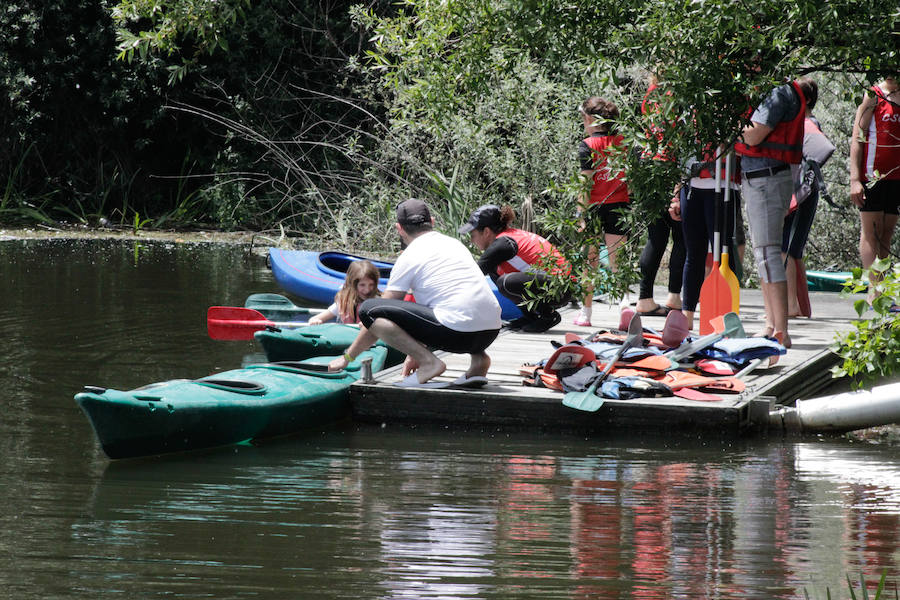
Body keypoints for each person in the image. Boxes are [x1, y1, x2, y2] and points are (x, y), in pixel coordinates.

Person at [328, 199, 502, 387]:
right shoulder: (455, 244)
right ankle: (479, 362)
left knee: (370, 308)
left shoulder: (409, 255)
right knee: (457, 306)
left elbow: (378, 313)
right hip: (490, 331)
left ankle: (430, 363)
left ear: (399, 228)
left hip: (458, 334)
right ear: (432, 222)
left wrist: (347, 357)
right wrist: (414, 351)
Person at [734, 77, 814, 349]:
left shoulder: (778, 93)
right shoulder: (773, 90)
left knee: (768, 253)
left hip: (768, 179)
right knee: (763, 254)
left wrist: (730, 120)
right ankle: (771, 324)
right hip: (760, 178)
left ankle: (781, 330)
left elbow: (754, 134)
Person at [459, 204, 571, 333]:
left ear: (486, 232)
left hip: (561, 289)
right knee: (495, 273)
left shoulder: (502, 244)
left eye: (472, 235)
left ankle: (549, 316)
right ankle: (530, 317)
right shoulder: (508, 237)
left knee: (506, 283)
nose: (472, 241)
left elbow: (472, 276)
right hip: (557, 286)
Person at [670, 147, 744, 331]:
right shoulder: (689, 118)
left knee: (723, 252)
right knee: (693, 253)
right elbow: (684, 154)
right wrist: (676, 196)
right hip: (691, 188)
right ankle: (687, 314)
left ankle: (727, 315)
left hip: (724, 187)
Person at [575, 96, 629, 327]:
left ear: (589, 118)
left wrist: (580, 215)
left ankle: (586, 314)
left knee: (590, 261)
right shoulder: (624, 141)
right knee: (619, 262)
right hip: (620, 205)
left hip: (595, 207)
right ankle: (625, 306)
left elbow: (585, 185)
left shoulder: (587, 145)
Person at [782, 79, 835, 317]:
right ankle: (801, 307)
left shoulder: (805, 124)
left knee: (787, 249)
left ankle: (791, 306)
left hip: (800, 193)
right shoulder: (810, 123)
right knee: (795, 250)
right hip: (807, 191)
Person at [635, 76, 686, 318]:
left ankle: (645, 297)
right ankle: (674, 296)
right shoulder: (678, 95)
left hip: (648, 166)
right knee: (681, 236)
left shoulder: (651, 93)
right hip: (669, 169)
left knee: (655, 238)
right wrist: (677, 189)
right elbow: (676, 144)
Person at [850, 75, 900, 301]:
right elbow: (857, 137)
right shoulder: (873, 95)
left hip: (897, 176)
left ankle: (884, 287)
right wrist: (855, 179)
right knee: (872, 231)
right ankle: (875, 290)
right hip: (873, 175)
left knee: (887, 231)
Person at [308, 260, 380, 325]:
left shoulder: (378, 302)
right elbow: (315, 318)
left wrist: (372, 326)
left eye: (371, 285)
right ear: (352, 285)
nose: (367, 290)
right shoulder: (344, 302)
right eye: (362, 285)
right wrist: (315, 320)